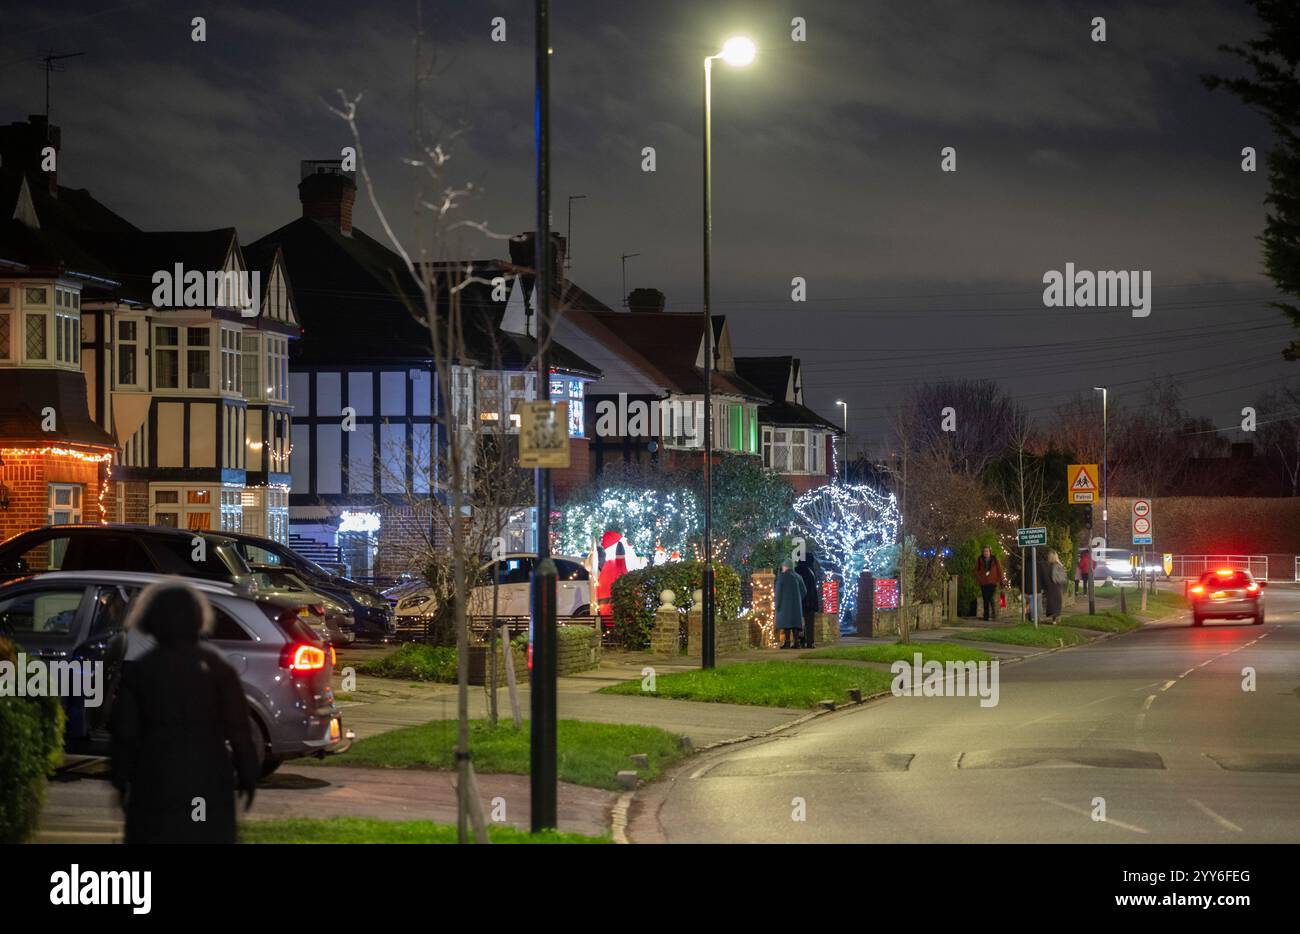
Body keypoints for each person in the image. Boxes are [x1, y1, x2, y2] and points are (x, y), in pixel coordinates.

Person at [110, 581, 259, 844]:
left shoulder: (142, 670)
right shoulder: (218, 668)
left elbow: (125, 733)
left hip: (155, 778)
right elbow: (239, 729)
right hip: (209, 776)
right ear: (198, 619)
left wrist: (120, 778)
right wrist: (247, 774)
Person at [774, 558, 807, 649]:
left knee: (786, 624)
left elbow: (778, 592)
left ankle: (787, 642)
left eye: (783, 566)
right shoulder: (798, 577)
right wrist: (798, 599)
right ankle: (797, 642)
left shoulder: (782, 577)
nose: (782, 568)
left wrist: (777, 604)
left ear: (786, 566)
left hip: (785, 605)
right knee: (795, 624)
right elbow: (804, 591)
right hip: (796, 605)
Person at [795, 549, 822, 649]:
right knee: (809, 623)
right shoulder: (811, 570)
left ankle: (799, 641)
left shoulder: (799, 570)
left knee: (798, 623)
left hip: (801, 600)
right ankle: (810, 642)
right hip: (811, 601)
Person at [974, 546, 1002, 621]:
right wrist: (980, 579)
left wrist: (998, 579)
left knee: (989, 598)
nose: (986, 553)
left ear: (990, 552)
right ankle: (986, 616)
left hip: (992, 582)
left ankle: (993, 614)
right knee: (985, 599)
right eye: (984, 551)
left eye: (987, 551)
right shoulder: (980, 560)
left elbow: (999, 570)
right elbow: (975, 571)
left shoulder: (995, 559)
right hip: (983, 582)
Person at [1045, 550, 1066, 623]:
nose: (1048, 557)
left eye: (1049, 556)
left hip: (1055, 586)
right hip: (1052, 586)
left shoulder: (1056, 565)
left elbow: (1059, 577)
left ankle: (1055, 618)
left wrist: (1055, 580)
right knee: (1053, 603)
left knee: (1055, 603)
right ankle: (1056, 617)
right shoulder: (1051, 565)